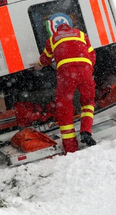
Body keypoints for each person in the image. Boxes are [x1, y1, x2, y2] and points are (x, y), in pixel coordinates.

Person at [33, 13, 97, 153]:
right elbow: (92, 54)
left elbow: (45, 59)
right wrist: (85, 68)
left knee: (64, 108)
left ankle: (71, 147)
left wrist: (39, 65)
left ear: (55, 28)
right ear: (69, 25)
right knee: (88, 102)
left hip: (66, 74)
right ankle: (86, 131)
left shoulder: (53, 39)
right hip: (85, 70)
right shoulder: (80, 34)